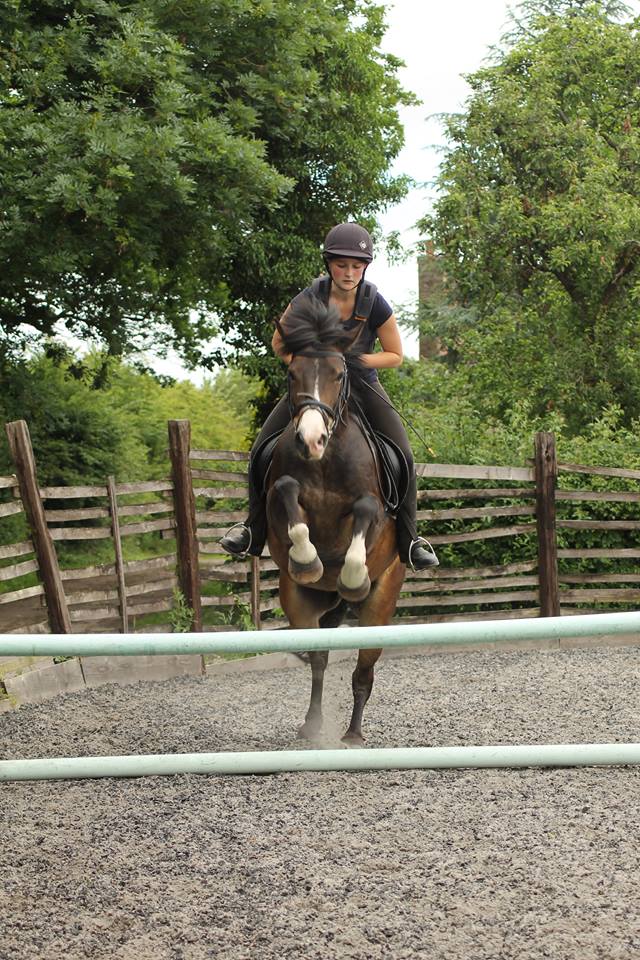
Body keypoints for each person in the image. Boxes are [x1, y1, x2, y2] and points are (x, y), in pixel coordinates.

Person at [220, 222, 439, 571]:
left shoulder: (375, 303)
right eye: (341, 264)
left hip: (363, 385)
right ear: (329, 265)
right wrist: (310, 366)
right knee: (262, 450)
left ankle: (410, 540)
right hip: (314, 386)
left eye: (356, 266)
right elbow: (279, 343)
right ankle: (252, 529)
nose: (349, 272)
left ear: (365, 267)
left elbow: (395, 355)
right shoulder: (310, 297)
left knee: (405, 457)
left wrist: (353, 361)